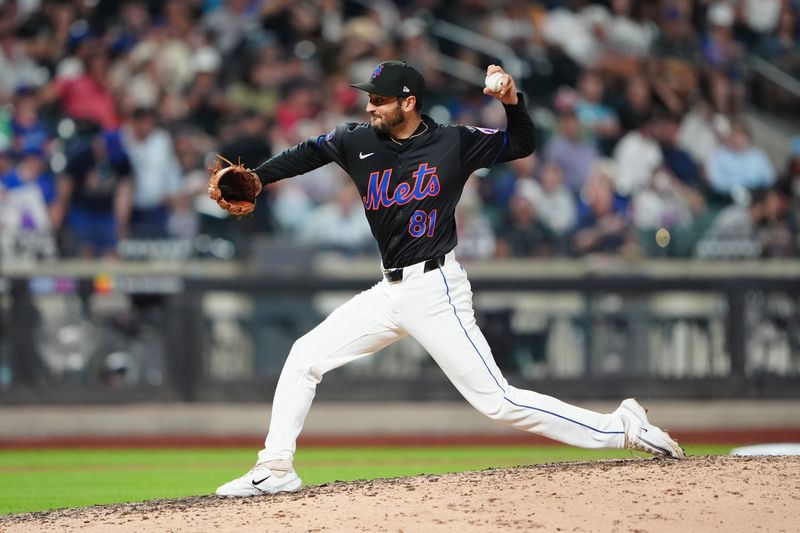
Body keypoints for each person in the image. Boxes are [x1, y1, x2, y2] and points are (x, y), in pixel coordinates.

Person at [214, 61, 684, 498]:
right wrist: (260, 176)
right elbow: (306, 152)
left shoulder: (452, 142)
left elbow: (521, 144)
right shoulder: (356, 139)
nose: (369, 106)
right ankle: (276, 468)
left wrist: (512, 100)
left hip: (436, 288)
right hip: (389, 292)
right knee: (305, 356)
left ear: (408, 101)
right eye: (369, 98)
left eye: (379, 99)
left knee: (498, 402)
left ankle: (622, 427)